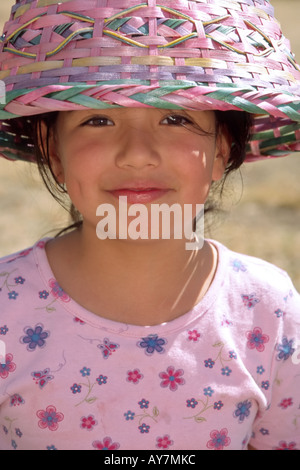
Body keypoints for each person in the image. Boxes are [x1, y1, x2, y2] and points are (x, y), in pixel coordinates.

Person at [0, 0, 299, 451]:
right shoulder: (6, 309)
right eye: (97, 119)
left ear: (222, 149)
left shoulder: (266, 309)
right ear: (53, 150)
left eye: (175, 118)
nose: (137, 153)